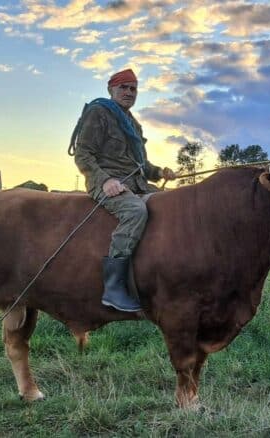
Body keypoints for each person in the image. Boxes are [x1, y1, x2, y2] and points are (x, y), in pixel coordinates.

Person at [71, 68, 176, 312]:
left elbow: (142, 165)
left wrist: (160, 172)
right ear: (111, 89)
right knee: (135, 211)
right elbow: (83, 154)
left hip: (134, 182)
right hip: (105, 182)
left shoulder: (133, 124)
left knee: (171, 204)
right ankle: (114, 287)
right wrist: (105, 180)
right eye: (123, 88)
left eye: (133, 88)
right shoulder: (99, 112)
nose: (129, 92)